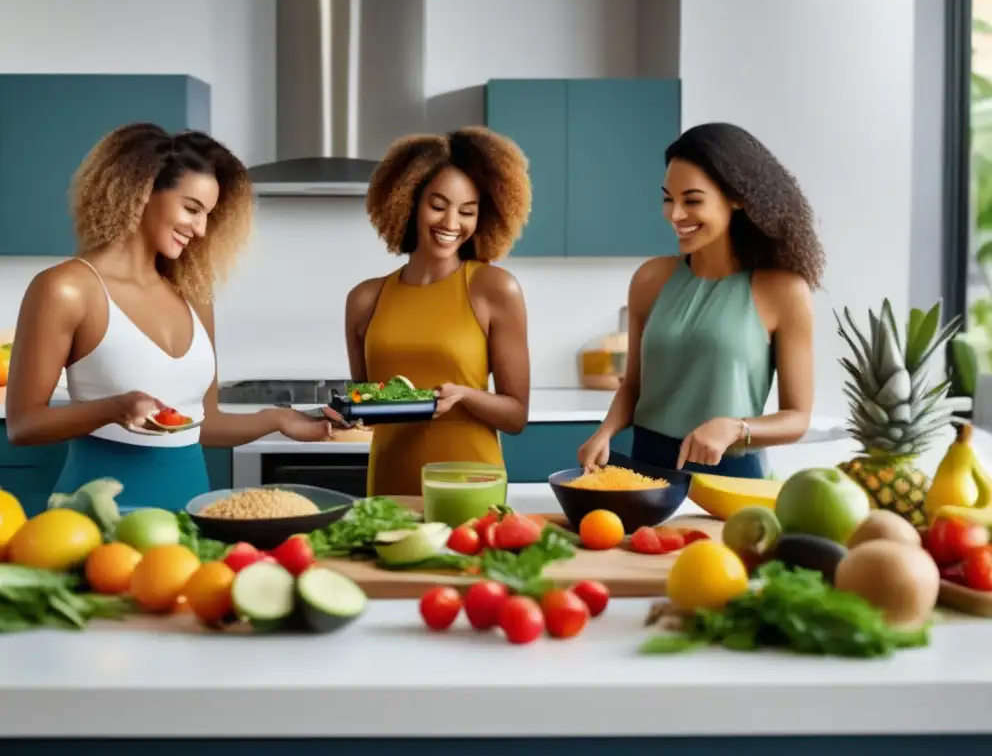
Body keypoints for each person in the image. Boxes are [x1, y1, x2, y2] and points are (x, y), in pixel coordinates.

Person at [5, 123, 336, 510]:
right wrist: (114, 408)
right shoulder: (67, 289)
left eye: (208, 215)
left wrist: (277, 418)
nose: (200, 229)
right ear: (141, 189)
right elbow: (23, 424)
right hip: (97, 517)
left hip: (191, 512)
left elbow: (205, 424)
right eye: (192, 209)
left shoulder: (194, 296)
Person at [577, 122, 825, 479]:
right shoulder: (650, 279)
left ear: (737, 198)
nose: (675, 215)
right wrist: (605, 432)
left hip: (732, 473)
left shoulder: (784, 291)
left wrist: (737, 429)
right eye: (668, 199)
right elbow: (633, 386)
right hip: (646, 469)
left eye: (692, 200)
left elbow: (797, 418)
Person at [346, 127, 533, 496]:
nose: (451, 223)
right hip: (390, 485)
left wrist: (464, 395)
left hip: (471, 484)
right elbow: (366, 406)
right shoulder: (365, 298)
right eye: (438, 205)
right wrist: (341, 414)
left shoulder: (494, 289)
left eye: (467, 211)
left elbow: (516, 416)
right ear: (409, 201)